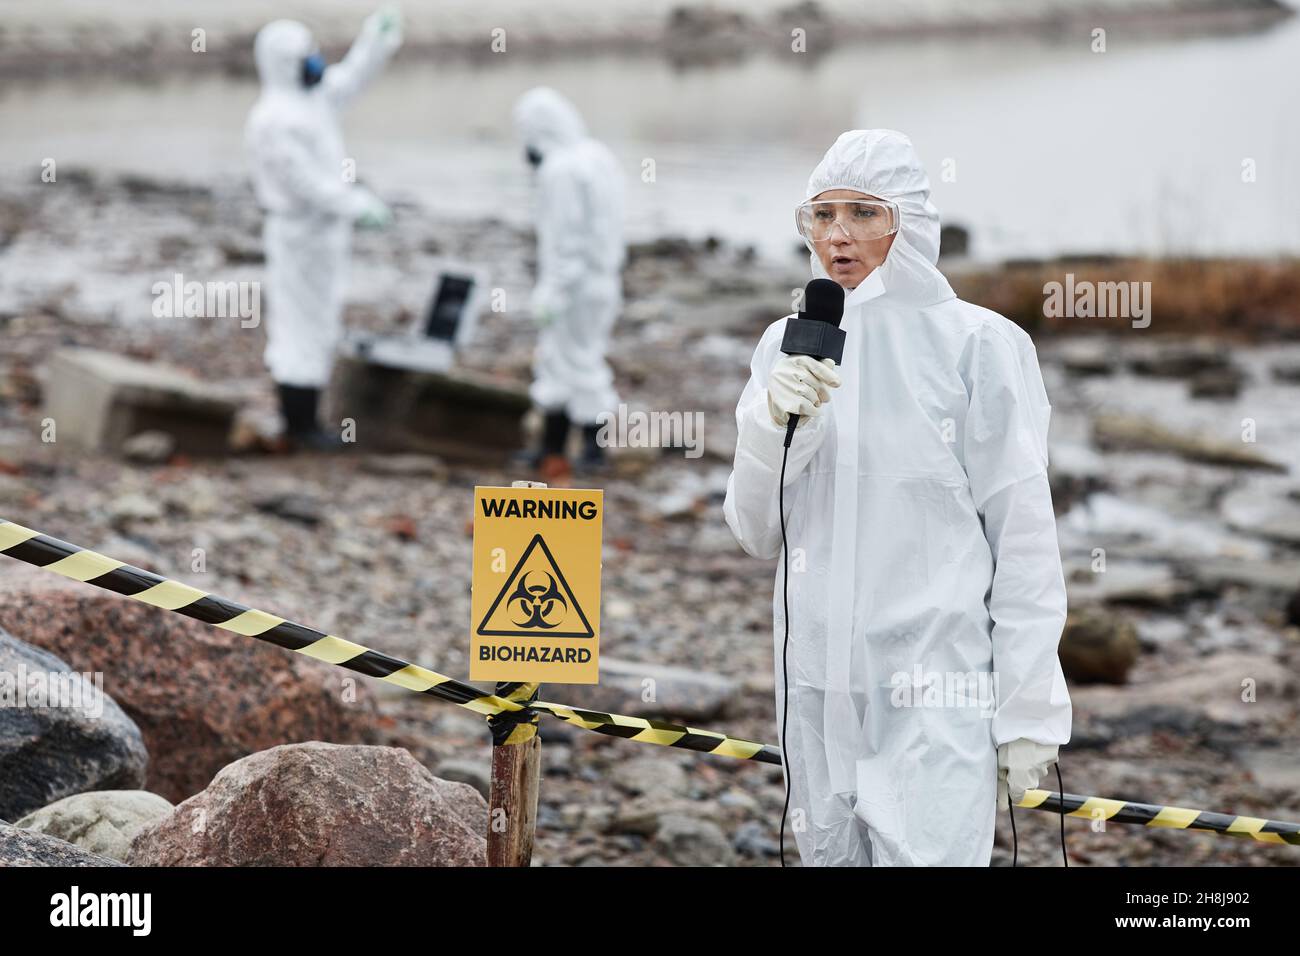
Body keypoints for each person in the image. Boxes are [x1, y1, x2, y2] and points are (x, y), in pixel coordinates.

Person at [723, 129, 1071, 866]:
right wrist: (775, 426)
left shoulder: (978, 346)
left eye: (862, 213)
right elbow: (755, 530)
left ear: (906, 221)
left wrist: (1029, 708)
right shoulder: (787, 347)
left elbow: (1024, 535)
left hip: (934, 694)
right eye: (820, 215)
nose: (837, 235)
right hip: (815, 691)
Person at [245, 10, 402, 450]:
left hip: (324, 233)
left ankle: (307, 419)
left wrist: (376, 38)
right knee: (299, 324)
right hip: (299, 232)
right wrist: (356, 204)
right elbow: (304, 184)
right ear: (284, 62)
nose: (316, 62)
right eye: (306, 55)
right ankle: (300, 426)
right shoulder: (274, 118)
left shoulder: (311, 99)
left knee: (320, 321)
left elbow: (351, 78)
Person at [512, 87, 625, 474]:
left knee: (573, 363)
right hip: (602, 283)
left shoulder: (559, 170)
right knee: (573, 361)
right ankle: (554, 447)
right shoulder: (597, 156)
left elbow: (566, 241)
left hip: (574, 288)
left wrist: (552, 293)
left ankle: (590, 452)